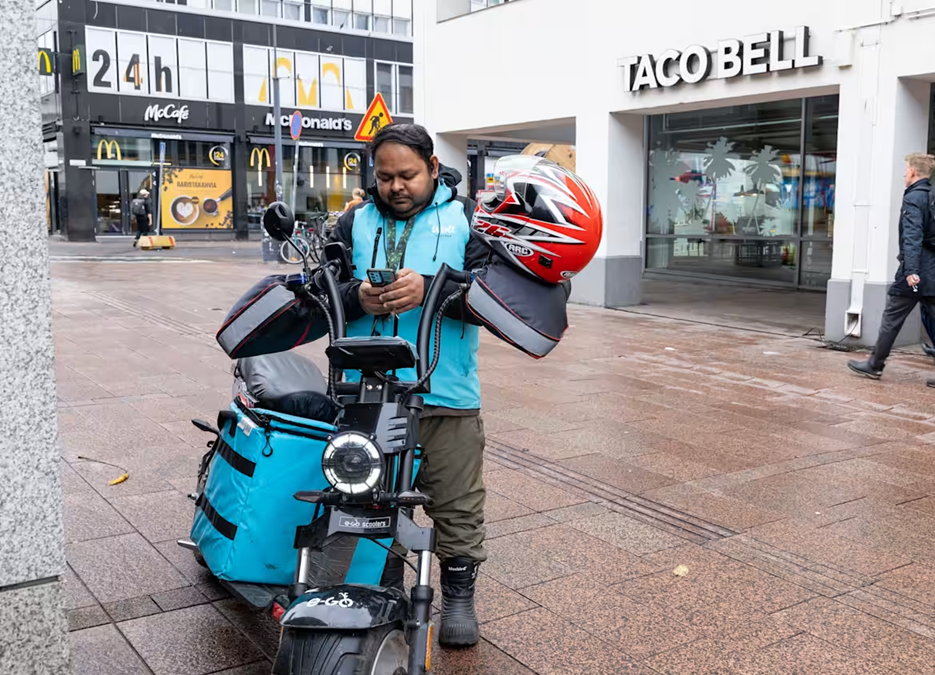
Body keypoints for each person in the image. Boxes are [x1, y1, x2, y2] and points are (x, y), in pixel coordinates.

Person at [329, 124, 491, 647]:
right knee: (371, 498)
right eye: (385, 177)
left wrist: (433, 289)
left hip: (446, 391)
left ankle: (459, 597)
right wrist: (356, 297)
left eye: (408, 175)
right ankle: (388, 592)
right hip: (367, 391)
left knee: (457, 501)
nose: (396, 186)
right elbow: (323, 289)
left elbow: (493, 294)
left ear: (433, 168)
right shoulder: (353, 220)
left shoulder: (468, 219)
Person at [848, 153, 935, 380]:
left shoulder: (914, 198)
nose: (904, 173)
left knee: (891, 317)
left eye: (905, 169)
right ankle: (874, 363)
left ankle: (874, 364)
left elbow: (912, 237)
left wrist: (911, 271)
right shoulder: (931, 196)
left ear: (913, 171)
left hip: (916, 272)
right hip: (932, 269)